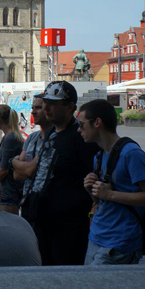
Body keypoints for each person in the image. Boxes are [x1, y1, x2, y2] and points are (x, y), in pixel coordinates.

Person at [21, 81, 99, 266]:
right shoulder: (52, 133)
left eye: (52, 103)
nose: (46, 107)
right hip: (42, 221)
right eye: (45, 102)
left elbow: (94, 178)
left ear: (70, 107)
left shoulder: (81, 138)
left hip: (68, 227)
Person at [77, 99, 145, 265]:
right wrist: (92, 190)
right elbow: (101, 200)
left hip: (119, 243)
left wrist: (110, 193)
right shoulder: (99, 155)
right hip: (96, 237)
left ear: (97, 123)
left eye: (81, 124)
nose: (79, 129)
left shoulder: (131, 153)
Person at [0, 104, 24, 214]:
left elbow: (4, 169)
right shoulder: (9, 136)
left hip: (8, 191)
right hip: (6, 189)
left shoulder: (10, 138)